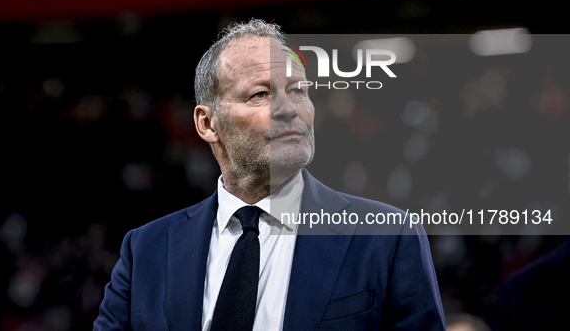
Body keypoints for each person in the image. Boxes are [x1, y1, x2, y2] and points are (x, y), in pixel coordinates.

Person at [93, 19, 445, 330]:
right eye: (260, 94)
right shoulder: (146, 251)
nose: (289, 109)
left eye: (298, 91)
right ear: (207, 123)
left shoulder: (386, 236)